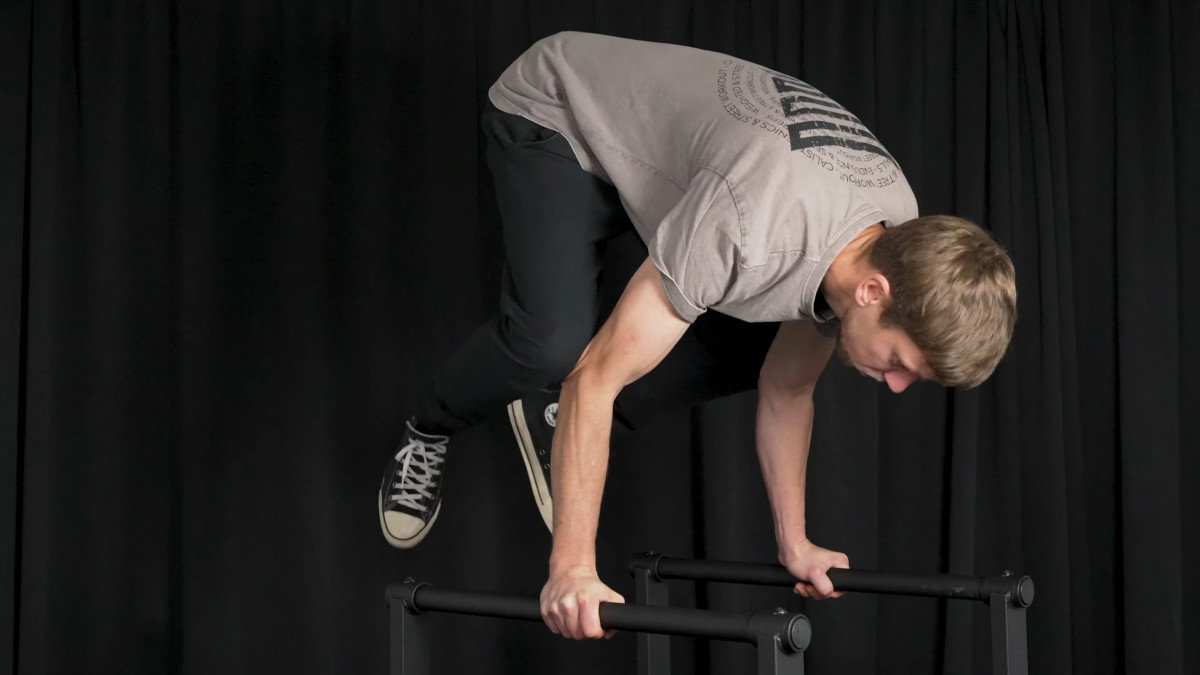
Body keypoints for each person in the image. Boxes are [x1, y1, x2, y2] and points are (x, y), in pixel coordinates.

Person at [377, 32, 1017, 641]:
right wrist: (571, 570)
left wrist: (795, 544)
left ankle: (556, 422)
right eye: (903, 363)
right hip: (558, 113)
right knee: (553, 347)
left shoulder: (891, 230)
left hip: (677, 168)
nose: (899, 386)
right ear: (874, 291)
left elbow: (788, 390)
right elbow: (596, 376)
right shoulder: (751, 227)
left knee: (759, 344)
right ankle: (430, 426)